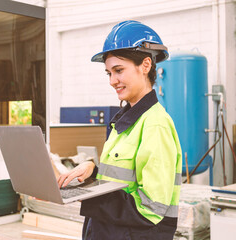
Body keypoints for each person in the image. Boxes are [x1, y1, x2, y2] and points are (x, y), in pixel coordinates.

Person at [57, 20, 182, 240]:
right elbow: (123, 180)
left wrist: (88, 195)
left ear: (145, 65)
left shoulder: (155, 124)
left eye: (119, 70)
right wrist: (92, 171)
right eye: (108, 73)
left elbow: (151, 209)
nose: (113, 81)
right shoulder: (125, 121)